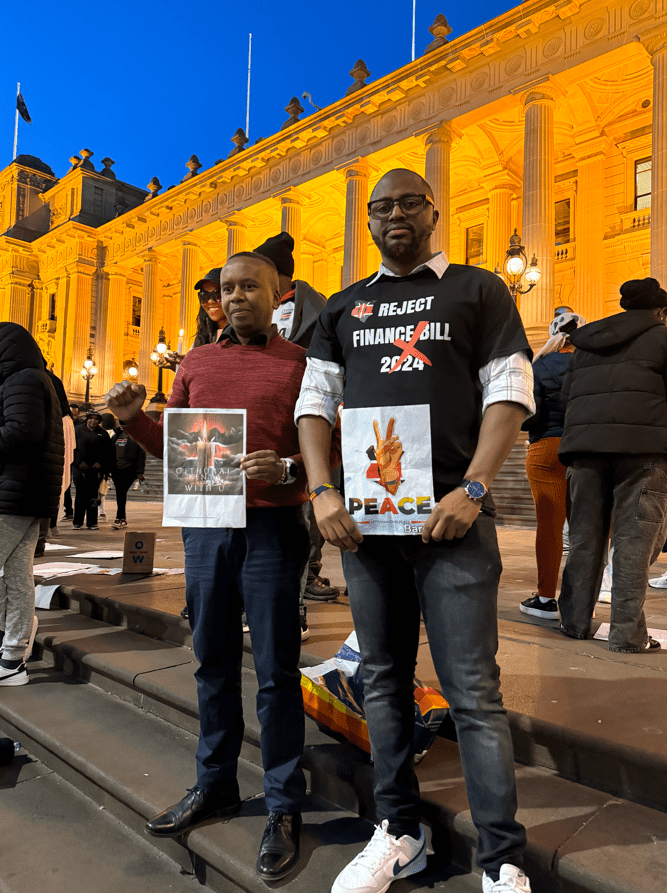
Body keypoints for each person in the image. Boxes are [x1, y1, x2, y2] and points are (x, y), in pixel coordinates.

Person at [296, 168, 534, 893]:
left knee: (472, 690)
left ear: (433, 211)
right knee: (383, 682)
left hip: (453, 521)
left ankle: (500, 858)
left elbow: (510, 389)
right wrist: (322, 489)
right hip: (369, 532)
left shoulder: (477, 289)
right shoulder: (342, 308)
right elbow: (313, 406)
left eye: (408, 202)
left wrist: (474, 486)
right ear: (366, 221)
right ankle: (397, 831)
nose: (394, 214)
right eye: (381, 206)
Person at [105, 251, 321, 882]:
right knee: (212, 660)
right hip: (206, 527)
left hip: (274, 528)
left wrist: (289, 468)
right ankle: (216, 783)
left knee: (278, 668)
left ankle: (284, 803)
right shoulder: (196, 362)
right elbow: (172, 441)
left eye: (249, 286)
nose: (235, 297)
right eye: (227, 289)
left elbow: (324, 444)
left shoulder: (300, 363)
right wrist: (130, 418)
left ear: (277, 293)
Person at [558, 277, 667, 653]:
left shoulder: (586, 343)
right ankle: (627, 635)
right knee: (634, 543)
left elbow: (565, 396)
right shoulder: (663, 338)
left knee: (585, 541)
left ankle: (573, 622)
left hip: (585, 452)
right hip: (644, 452)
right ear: (659, 311)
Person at [255, 232, 339, 604]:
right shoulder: (254, 305)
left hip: (305, 412)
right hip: (264, 414)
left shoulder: (313, 307)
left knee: (308, 495)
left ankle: (310, 571)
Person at [0, 323, 64, 686]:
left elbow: (21, 433)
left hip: (14, 492)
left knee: (14, 575)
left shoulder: (21, 379)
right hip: (25, 493)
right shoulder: (34, 378)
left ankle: (11, 652)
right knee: (17, 575)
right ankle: (11, 655)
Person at [519, 312, 586, 620]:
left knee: (550, 528)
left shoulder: (541, 365)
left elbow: (529, 415)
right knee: (586, 529)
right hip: (585, 451)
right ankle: (582, 599)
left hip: (547, 449)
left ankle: (546, 599)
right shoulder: (592, 365)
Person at [72, 411, 112, 530]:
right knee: (80, 494)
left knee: (93, 495)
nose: (93, 421)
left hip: (96, 469)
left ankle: (92, 522)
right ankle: (77, 522)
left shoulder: (103, 434)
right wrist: (79, 462)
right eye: (90, 418)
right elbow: (72, 448)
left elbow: (107, 451)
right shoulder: (77, 431)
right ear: (86, 419)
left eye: (96, 419)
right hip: (79, 468)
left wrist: (100, 463)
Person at [109, 422, 146, 529]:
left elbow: (141, 455)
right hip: (116, 469)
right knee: (120, 492)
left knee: (121, 492)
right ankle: (121, 519)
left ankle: (120, 518)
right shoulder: (116, 435)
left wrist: (140, 472)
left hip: (130, 470)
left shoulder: (137, 436)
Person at [192, 267, 227, 348]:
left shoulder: (243, 336)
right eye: (204, 295)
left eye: (218, 294)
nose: (210, 301)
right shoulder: (202, 336)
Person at [62, 403, 85, 521]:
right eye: (72, 414)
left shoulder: (80, 426)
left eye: (76, 414)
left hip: (77, 460)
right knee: (66, 485)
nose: (74, 416)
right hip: (67, 457)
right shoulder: (65, 424)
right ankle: (68, 510)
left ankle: (77, 513)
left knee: (78, 486)